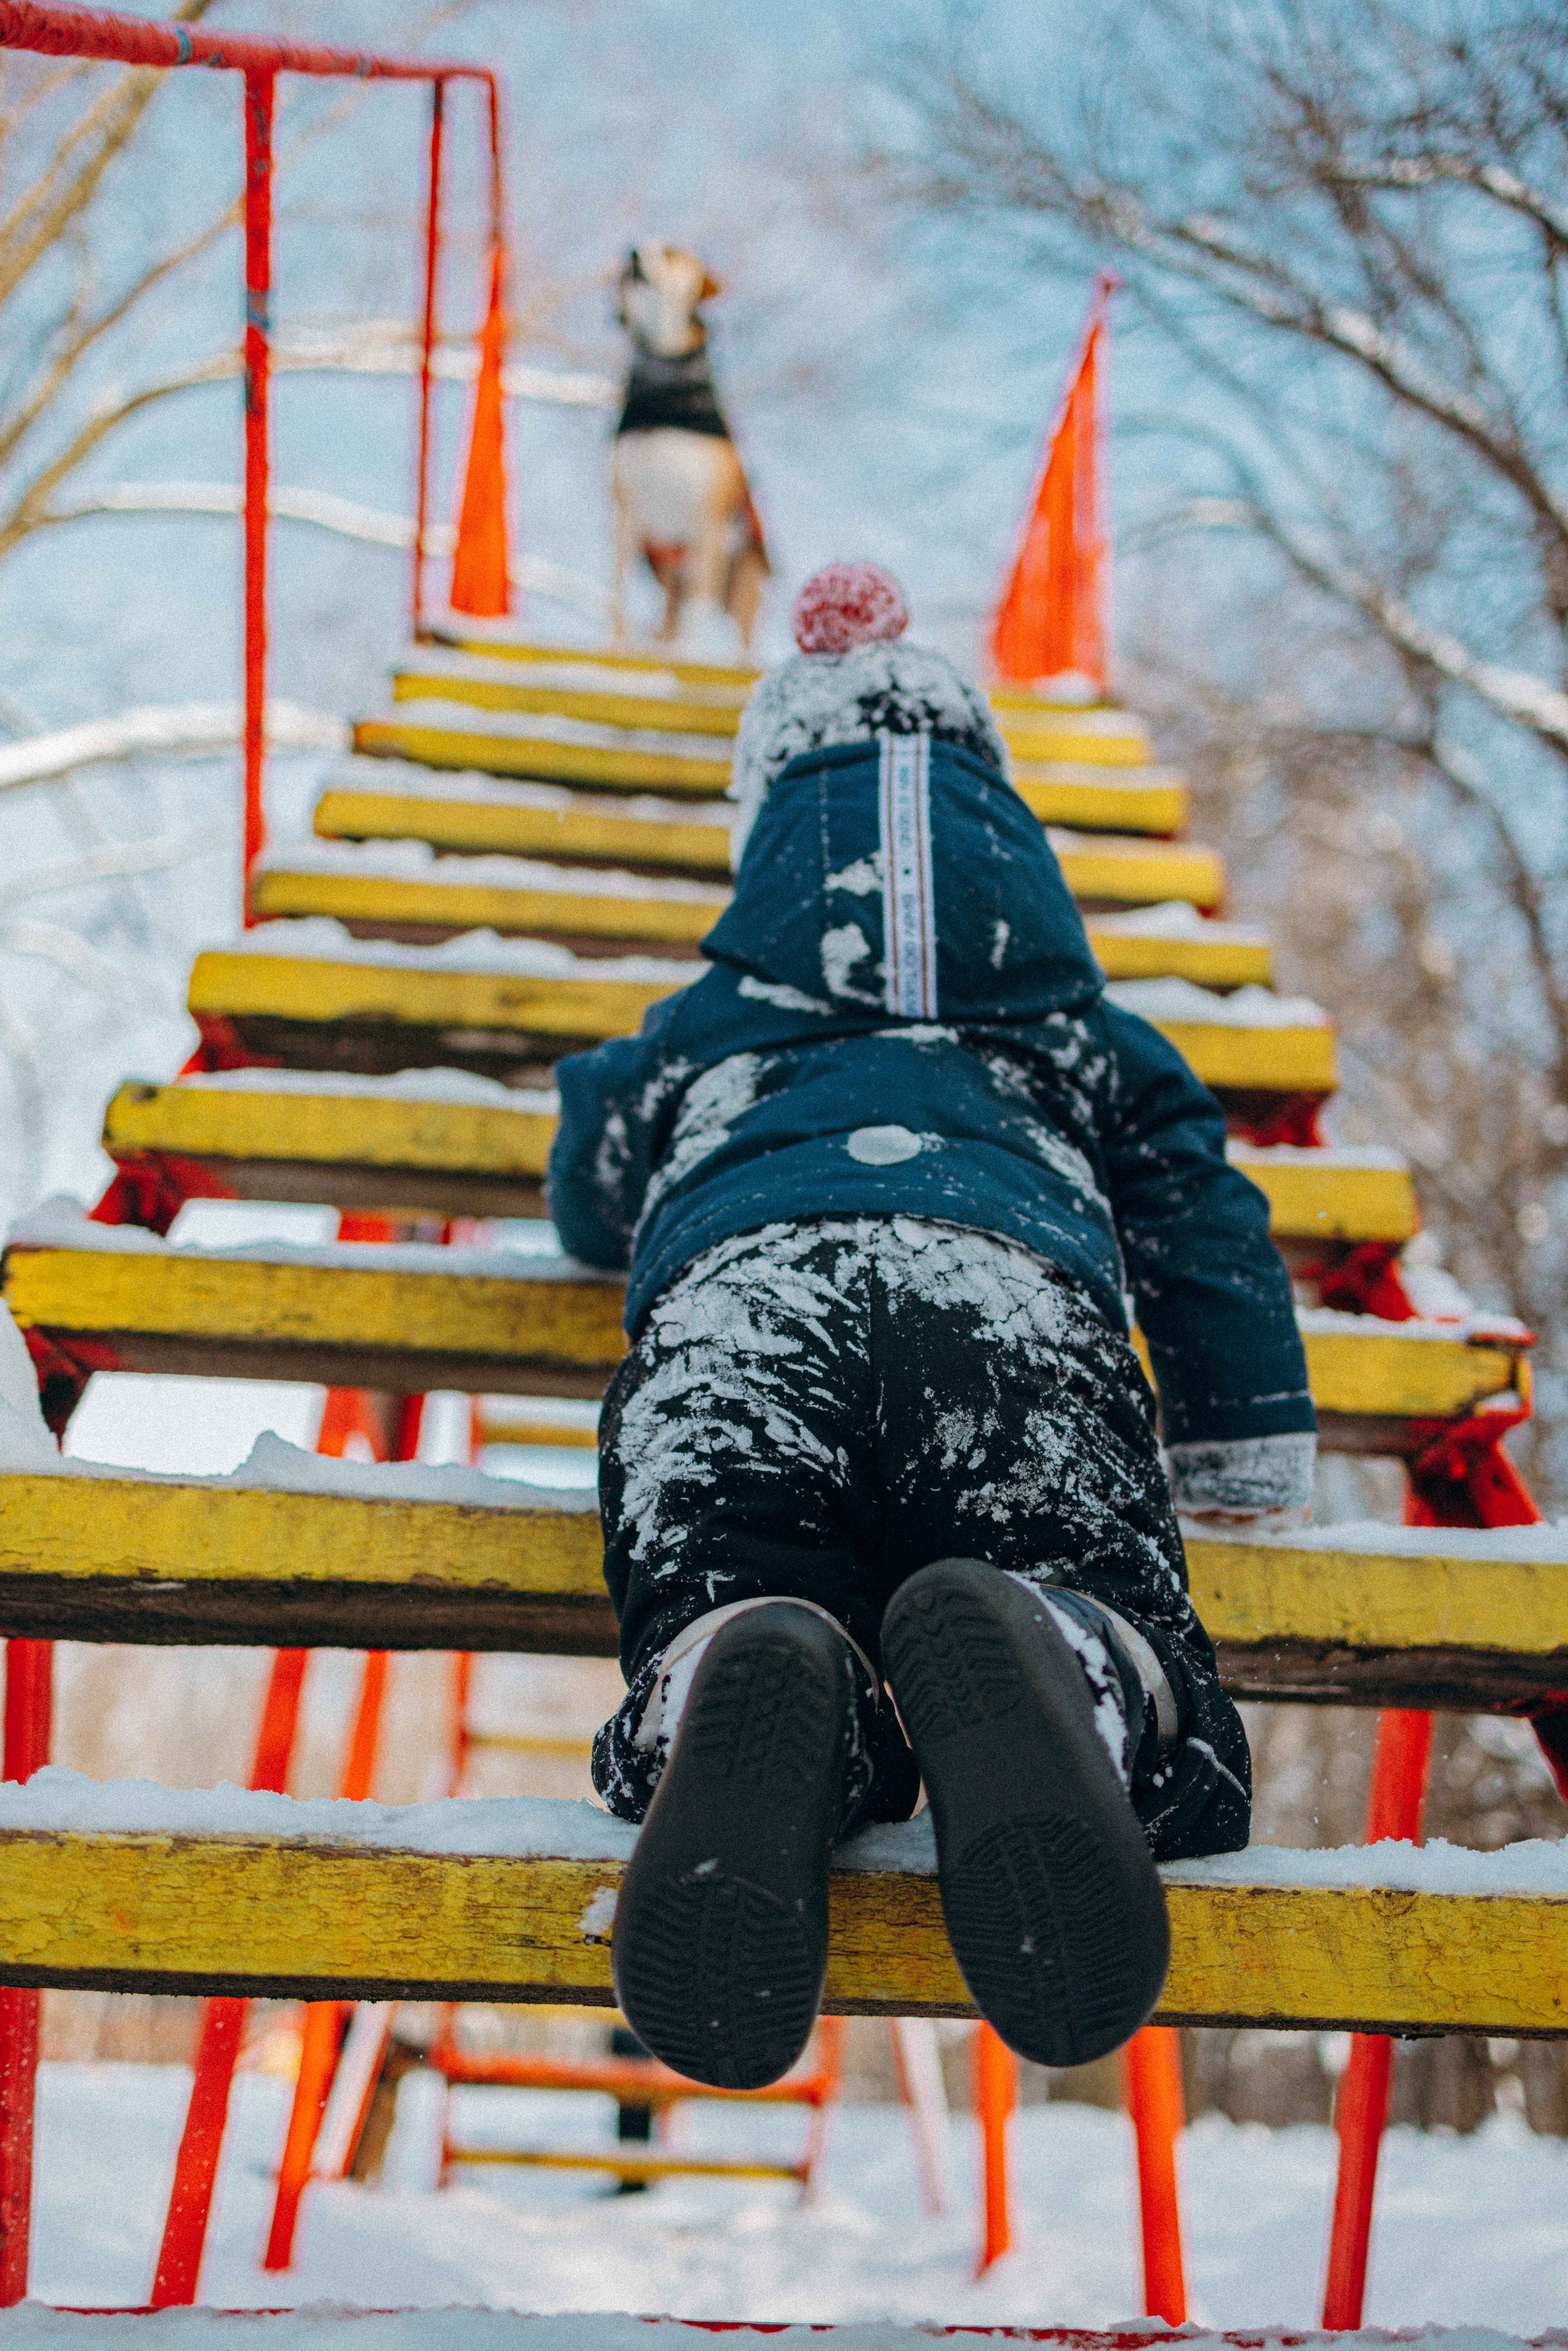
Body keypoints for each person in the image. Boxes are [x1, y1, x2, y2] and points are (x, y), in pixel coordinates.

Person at [546, 561, 1314, 2093]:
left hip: (741, 1300)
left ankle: (730, 1664)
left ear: (767, 830)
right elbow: (1198, 1205)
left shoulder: (710, 1016)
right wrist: (1242, 1428)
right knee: (1083, 1565)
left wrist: (615, 1165)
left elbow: (592, 1165)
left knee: (720, 1552)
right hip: (1006, 1291)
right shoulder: (1084, 1028)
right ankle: (1068, 1652)